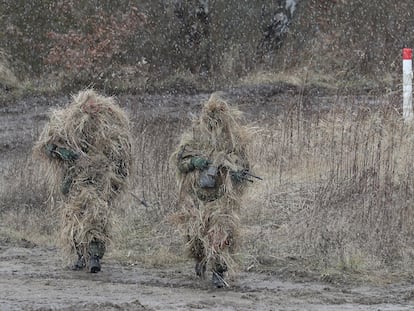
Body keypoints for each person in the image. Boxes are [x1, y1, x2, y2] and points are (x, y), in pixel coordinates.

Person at [33, 89, 132, 273]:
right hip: (74, 180)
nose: (92, 108)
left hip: (102, 179)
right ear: (81, 105)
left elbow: (123, 152)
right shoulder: (66, 122)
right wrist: (63, 153)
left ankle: (94, 256)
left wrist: (115, 173)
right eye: (89, 105)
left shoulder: (110, 124)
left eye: (95, 105)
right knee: (75, 217)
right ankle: (80, 255)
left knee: (97, 216)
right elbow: (47, 146)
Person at [171, 93, 256, 288]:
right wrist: (194, 162)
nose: (214, 122)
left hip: (222, 200)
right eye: (210, 116)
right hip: (197, 197)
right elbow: (180, 162)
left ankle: (219, 270)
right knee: (196, 236)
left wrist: (235, 174)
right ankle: (200, 260)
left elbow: (244, 168)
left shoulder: (234, 141)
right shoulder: (194, 136)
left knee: (221, 234)